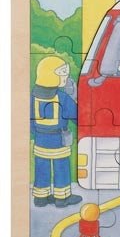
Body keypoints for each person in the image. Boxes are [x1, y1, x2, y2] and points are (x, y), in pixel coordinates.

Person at [31, 56, 82, 208]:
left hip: (40, 141)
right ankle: (62, 198)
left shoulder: (32, 97)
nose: (66, 76)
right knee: (61, 168)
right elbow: (76, 116)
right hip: (59, 141)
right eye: (62, 72)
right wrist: (75, 98)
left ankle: (40, 198)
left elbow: (29, 122)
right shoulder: (63, 97)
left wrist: (36, 134)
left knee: (41, 168)